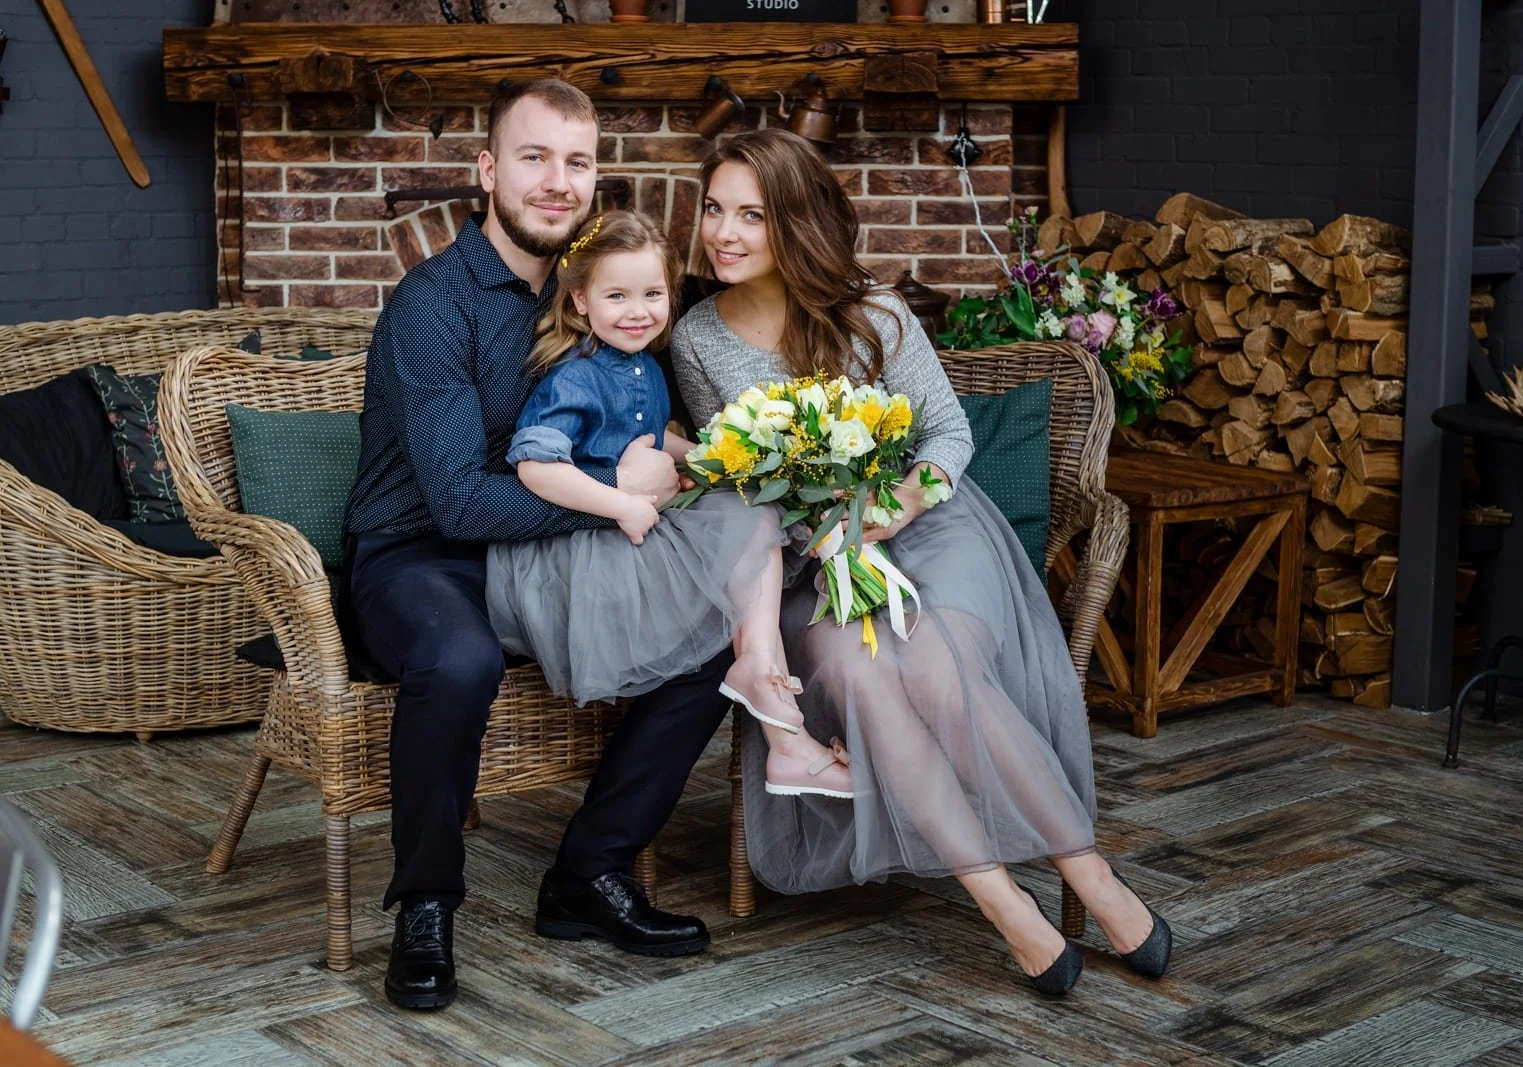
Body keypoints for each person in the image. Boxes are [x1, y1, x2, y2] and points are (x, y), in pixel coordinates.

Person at [668, 129, 1175, 997]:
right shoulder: (696, 339)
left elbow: (947, 432)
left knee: (935, 667)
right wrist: (820, 525)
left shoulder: (874, 311)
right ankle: (1006, 906)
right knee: (859, 675)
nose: (723, 232)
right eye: (715, 209)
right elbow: (736, 480)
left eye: (752, 215)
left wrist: (892, 508)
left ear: (796, 220)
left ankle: (1089, 871)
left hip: (930, 527)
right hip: (806, 560)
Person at [342, 80, 719, 1013]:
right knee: (460, 659)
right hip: (418, 552)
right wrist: (616, 501)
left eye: (577, 161)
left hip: (544, 550)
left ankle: (590, 871)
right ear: (488, 170)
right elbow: (461, 501)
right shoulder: (434, 303)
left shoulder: (601, 295)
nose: (558, 181)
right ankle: (426, 903)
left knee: (715, 634)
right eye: (534, 157)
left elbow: (642, 433)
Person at [483, 210, 853, 799]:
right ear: (580, 301)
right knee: (747, 529)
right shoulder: (574, 379)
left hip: (636, 529)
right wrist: (621, 505)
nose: (638, 312)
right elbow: (535, 467)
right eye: (617, 296)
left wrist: (718, 455)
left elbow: (655, 438)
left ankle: (771, 696)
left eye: (653, 294)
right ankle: (772, 706)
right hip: (586, 550)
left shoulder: (646, 367)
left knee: (753, 511)